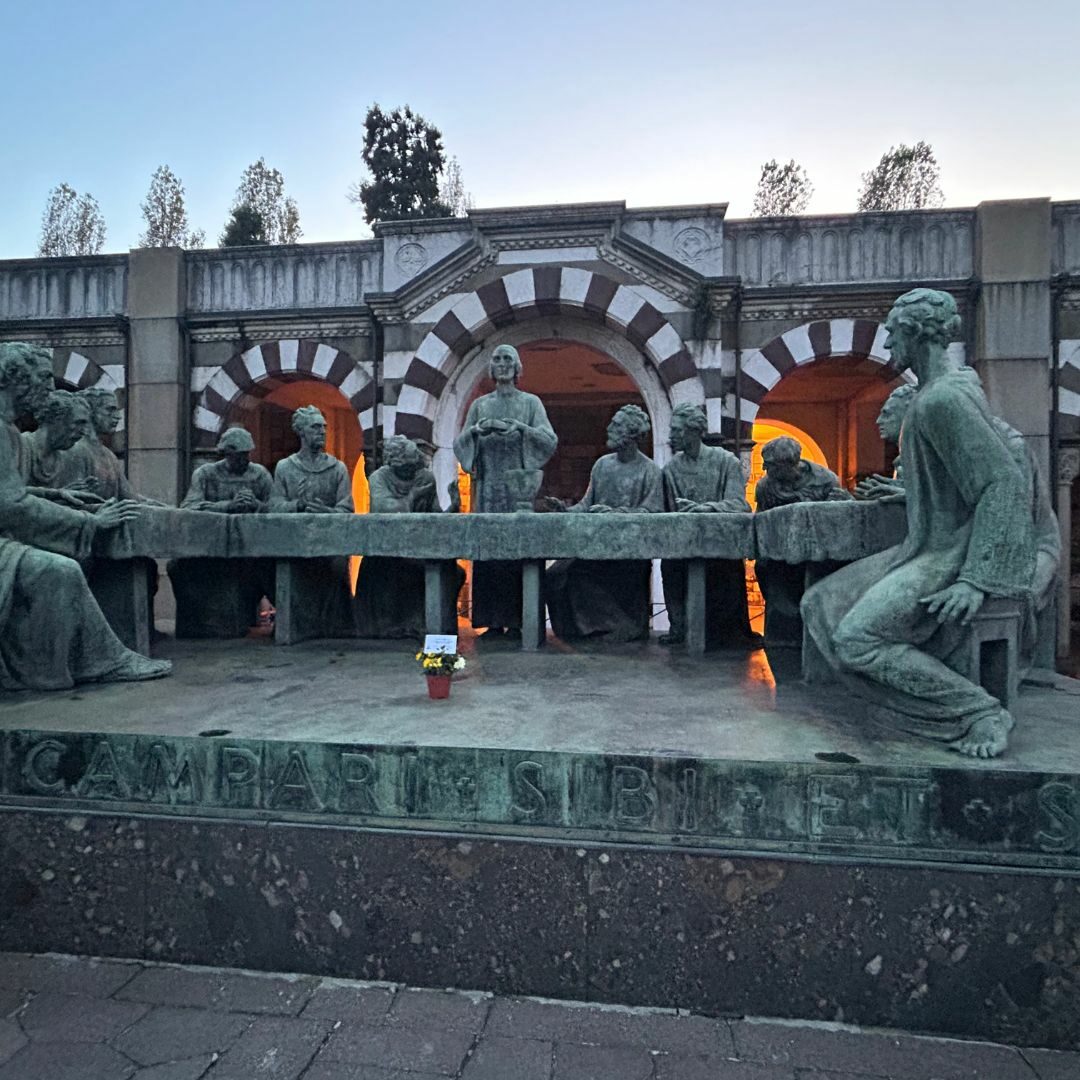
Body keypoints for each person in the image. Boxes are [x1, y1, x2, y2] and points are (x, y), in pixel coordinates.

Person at [802, 288, 1040, 759]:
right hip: (924, 544)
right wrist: (910, 493)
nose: (888, 346)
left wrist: (974, 580)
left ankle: (976, 710)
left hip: (950, 554)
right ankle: (900, 706)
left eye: (892, 334)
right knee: (817, 602)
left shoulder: (941, 402)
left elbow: (1002, 484)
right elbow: (956, 480)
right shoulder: (943, 391)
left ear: (914, 333)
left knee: (856, 639)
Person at [0, 342, 170, 689]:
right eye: (44, 377)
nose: (50, 388)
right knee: (60, 571)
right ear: (15, 377)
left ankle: (81, 661)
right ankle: (46, 671)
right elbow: (11, 506)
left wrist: (56, 494)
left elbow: (11, 494)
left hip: (10, 535)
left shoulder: (10, 433)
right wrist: (87, 522)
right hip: (9, 536)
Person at [453, 344, 557, 638]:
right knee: (488, 553)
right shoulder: (480, 405)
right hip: (486, 490)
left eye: (507, 358)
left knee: (517, 551)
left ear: (517, 366)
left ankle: (519, 620)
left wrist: (521, 429)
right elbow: (462, 441)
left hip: (517, 490)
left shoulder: (530, 403)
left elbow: (548, 439)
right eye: (497, 359)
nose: (502, 363)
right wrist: (476, 432)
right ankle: (492, 620)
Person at [546, 404, 663, 643]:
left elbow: (651, 512)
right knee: (555, 574)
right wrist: (565, 511)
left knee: (579, 575)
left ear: (632, 434)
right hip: (596, 546)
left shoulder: (649, 471)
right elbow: (587, 504)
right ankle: (579, 629)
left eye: (617, 425)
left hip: (628, 551)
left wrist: (616, 513)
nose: (609, 428)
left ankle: (620, 625)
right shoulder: (602, 465)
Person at [659, 403, 757, 648]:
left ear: (694, 431)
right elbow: (669, 510)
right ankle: (680, 626)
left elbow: (739, 504)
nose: (671, 436)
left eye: (677, 430)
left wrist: (708, 508)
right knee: (671, 566)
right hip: (683, 543)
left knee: (723, 573)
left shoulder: (726, 462)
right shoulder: (671, 468)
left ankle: (726, 632)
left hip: (719, 543)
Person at [353, 435, 464, 638]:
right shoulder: (380, 477)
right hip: (388, 548)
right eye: (409, 466)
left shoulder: (425, 477)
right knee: (391, 568)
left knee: (452, 571)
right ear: (396, 463)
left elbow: (434, 515)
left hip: (419, 547)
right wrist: (412, 496)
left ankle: (433, 626)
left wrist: (453, 508)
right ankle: (394, 625)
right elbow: (382, 509)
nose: (414, 470)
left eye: (416, 464)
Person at [168, 427, 275, 638]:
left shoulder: (260, 475)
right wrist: (227, 505)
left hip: (252, 546)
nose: (245, 459)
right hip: (212, 546)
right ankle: (200, 627)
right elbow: (189, 507)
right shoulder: (206, 474)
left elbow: (276, 507)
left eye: (247, 454)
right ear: (227, 454)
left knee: (272, 565)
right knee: (179, 566)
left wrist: (256, 505)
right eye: (240, 455)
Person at [754, 436, 851, 644]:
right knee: (764, 568)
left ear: (787, 464)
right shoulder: (765, 487)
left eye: (769, 465)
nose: (764, 469)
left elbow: (840, 514)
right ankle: (783, 633)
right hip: (780, 552)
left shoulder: (825, 480)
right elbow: (760, 522)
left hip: (818, 550)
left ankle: (819, 632)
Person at [271, 405, 354, 634]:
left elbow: (347, 510)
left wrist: (326, 512)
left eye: (324, 428)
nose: (322, 432)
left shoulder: (337, 469)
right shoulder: (285, 468)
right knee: (279, 566)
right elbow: (274, 506)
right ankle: (294, 623)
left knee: (336, 565)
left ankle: (335, 626)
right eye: (316, 427)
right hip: (295, 541)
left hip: (330, 542)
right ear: (301, 431)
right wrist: (297, 505)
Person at [854, 384, 917, 501]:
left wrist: (901, 496)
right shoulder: (906, 459)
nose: (878, 421)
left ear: (909, 416)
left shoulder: (926, 460)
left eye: (887, 414)